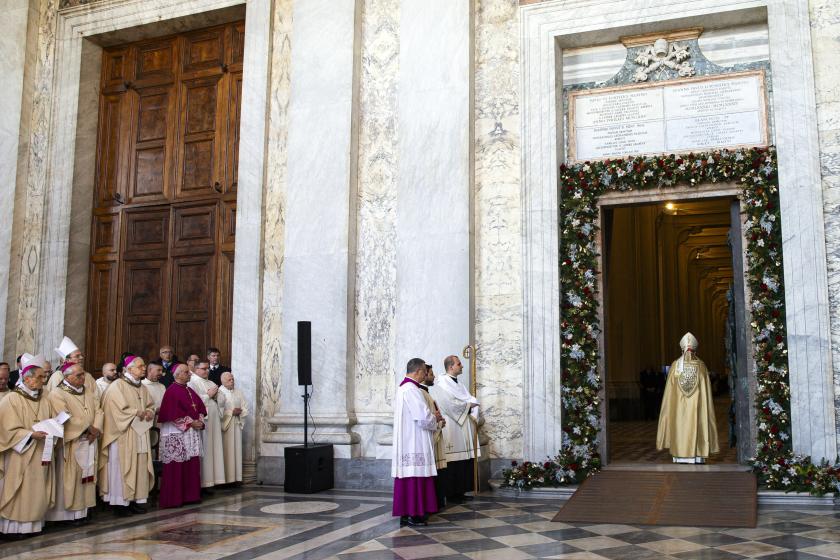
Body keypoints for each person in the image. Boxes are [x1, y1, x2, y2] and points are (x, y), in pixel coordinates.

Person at [0, 354, 55, 536]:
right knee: (21, 489)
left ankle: (34, 526)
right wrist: (30, 434)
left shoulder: (44, 399)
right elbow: (6, 430)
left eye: (43, 377)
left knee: (37, 488)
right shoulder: (11, 399)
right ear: (27, 378)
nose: (43, 380)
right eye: (40, 377)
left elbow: (52, 420)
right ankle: (15, 528)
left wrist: (54, 427)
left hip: (41, 452)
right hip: (20, 454)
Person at [45, 363, 102, 524]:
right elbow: (63, 417)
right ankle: (67, 514)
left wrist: (96, 428)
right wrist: (87, 428)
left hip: (90, 440)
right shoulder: (57, 394)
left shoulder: (88, 391)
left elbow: (99, 410)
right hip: (73, 442)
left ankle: (83, 511)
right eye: (78, 375)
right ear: (67, 376)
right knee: (71, 477)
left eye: (83, 374)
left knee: (87, 475)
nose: (83, 377)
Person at [99, 355, 156, 516]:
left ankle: (137, 500)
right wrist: (136, 412)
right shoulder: (117, 386)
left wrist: (150, 412)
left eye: (144, 365)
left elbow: (151, 405)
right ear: (129, 369)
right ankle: (121, 502)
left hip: (141, 432)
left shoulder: (142, 388)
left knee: (140, 466)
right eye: (140, 366)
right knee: (122, 467)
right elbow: (114, 410)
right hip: (123, 435)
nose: (144, 368)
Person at [656, 332, 720, 464]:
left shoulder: (675, 366)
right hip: (697, 408)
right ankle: (697, 455)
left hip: (678, 409)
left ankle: (679, 455)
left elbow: (669, 393)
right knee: (698, 423)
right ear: (695, 350)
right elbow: (706, 392)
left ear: (682, 349)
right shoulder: (701, 366)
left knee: (680, 425)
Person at [392, 358, 440, 527]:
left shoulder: (403, 388)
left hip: (409, 440)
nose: (425, 375)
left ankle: (406, 514)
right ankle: (415, 514)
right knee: (416, 476)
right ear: (418, 371)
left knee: (409, 477)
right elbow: (423, 417)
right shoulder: (411, 389)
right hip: (414, 441)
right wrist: (436, 419)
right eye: (424, 372)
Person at [429, 355, 482, 503]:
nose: (462, 366)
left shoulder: (459, 384)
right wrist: (468, 406)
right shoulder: (442, 383)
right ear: (451, 366)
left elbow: (467, 398)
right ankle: (452, 493)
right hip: (452, 425)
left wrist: (470, 404)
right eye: (459, 364)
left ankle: (461, 491)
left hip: (463, 425)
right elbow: (448, 404)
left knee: (463, 460)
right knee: (453, 461)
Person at [157, 363, 206, 508]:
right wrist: (191, 423)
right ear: (177, 374)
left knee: (191, 464)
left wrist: (199, 421)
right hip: (177, 433)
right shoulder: (171, 391)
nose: (190, 374)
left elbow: (200, 408)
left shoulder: (189, 390)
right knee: (176, 466)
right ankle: (174, 498)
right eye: (186, 372)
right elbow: (171, 414)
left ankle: (190, 496)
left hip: (190, 433)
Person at [189, 361, 226, 489]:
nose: (206, 371)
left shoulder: (211, 383)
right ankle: (204, 482)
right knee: (205, 449)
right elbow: (193, 400)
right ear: (196, 369)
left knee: (214, 448)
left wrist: (216, 397)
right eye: (203, 369)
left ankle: (214, 480)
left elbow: (222, 399)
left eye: (207, 369)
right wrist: (208, 395)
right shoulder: (192, 382)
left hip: (214, 420)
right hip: (204, 420)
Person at [420, 364, 447, 510]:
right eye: (431, 374)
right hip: (429, 438)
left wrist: (440, 421)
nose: (434, 376)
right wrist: (437, 422)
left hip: (436, 434)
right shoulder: (419, 393)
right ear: (424, 375)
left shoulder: (427, 393)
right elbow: (425, 418)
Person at [219, 372, 248, 484]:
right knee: (226, 452)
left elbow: (245, 406)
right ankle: (225, 479)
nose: (232, 381)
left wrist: (240, 411)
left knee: (236, 451)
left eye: (232, 379)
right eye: (229, 380)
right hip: (226, 427)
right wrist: (231, 412)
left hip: (236, 424)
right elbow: (218, 410)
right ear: (222, 381)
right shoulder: (220, 392)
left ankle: (236, 478)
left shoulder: (238, 392)